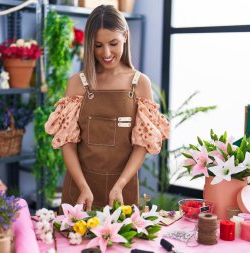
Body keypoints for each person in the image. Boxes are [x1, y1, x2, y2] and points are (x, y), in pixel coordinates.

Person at [45, 5, 169, 211]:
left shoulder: (140, 83)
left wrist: (120, 184)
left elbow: (142, 144)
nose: (106, 53)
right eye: (98, 45)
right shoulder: (78, 82)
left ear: (126, 36)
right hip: (79, 191)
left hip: (122, 191)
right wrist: (83, 187)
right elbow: (67, 143)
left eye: (113, 43)